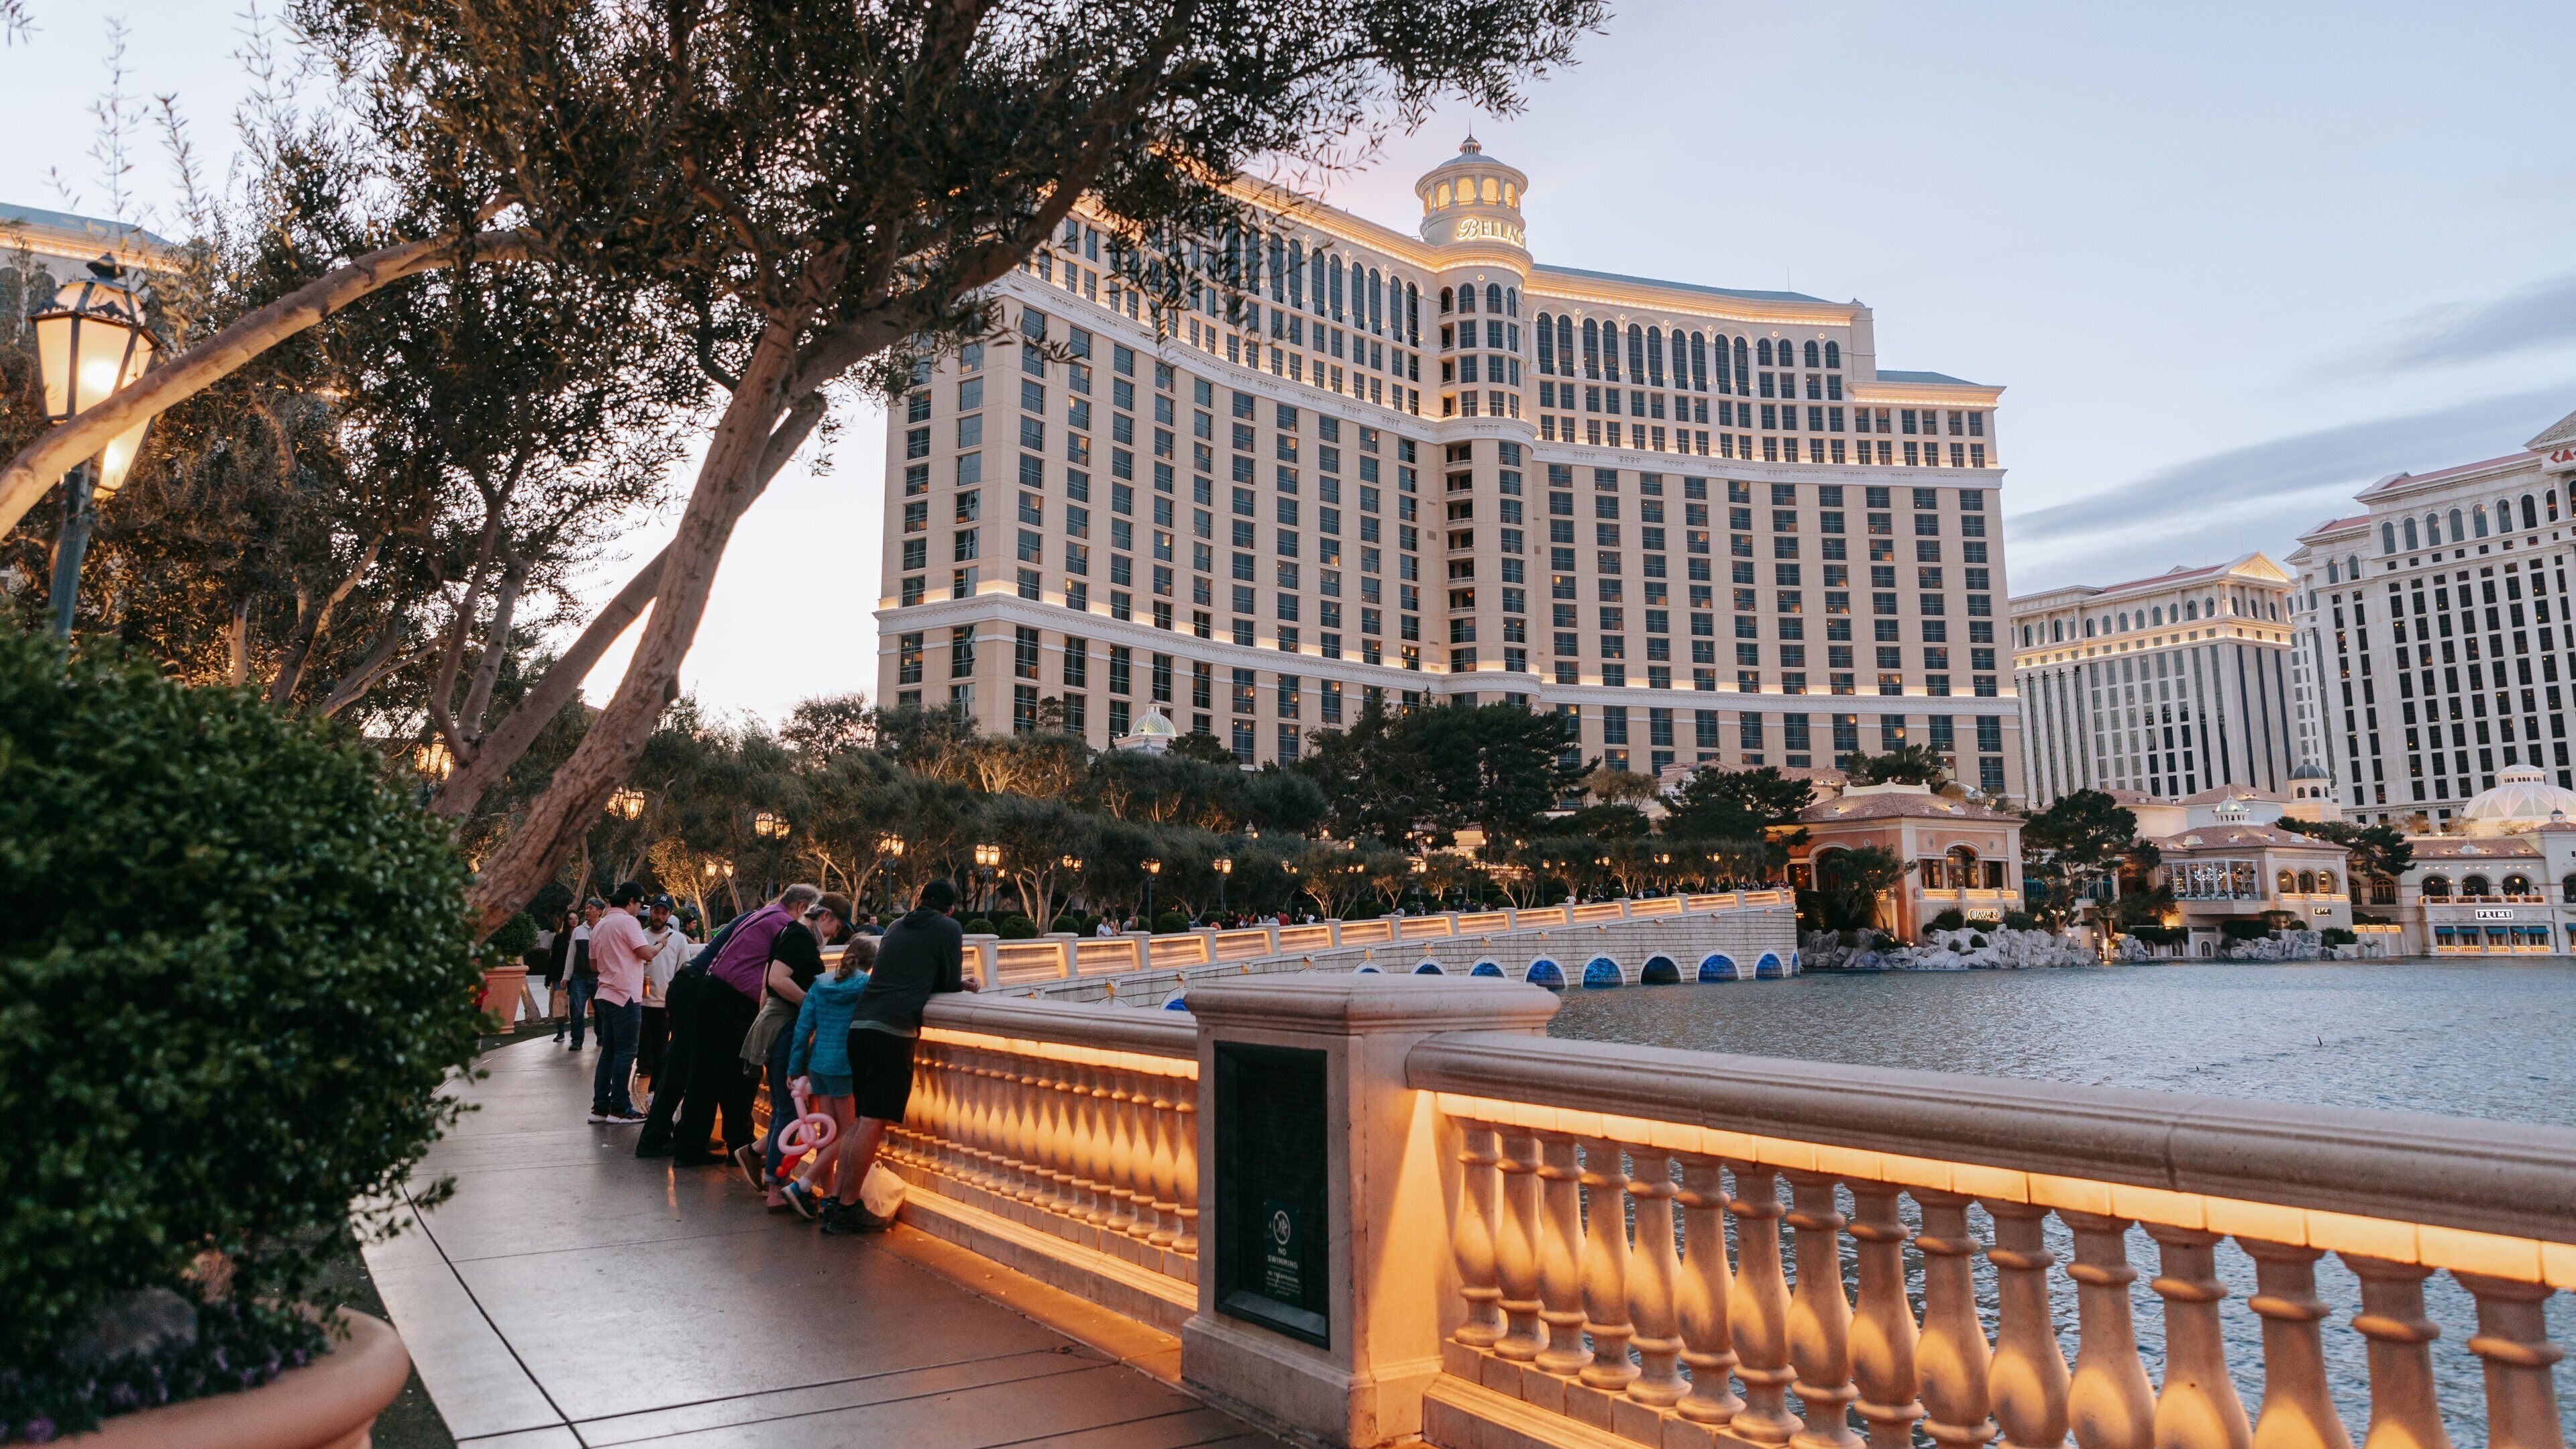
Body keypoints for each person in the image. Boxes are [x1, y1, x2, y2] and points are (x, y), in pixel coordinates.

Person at [820, 878, 978, 1235]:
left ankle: (836, 1202)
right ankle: (847, 1208)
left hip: (860, 1026)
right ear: (951, 909)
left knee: (860, 1120)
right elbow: (948, 977)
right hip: (892, 1031)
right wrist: (963, 984)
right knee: (872, 1122)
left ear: (920, 900)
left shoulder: (895, 925)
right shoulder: (949, 927)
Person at [670, 885, 821, 1167]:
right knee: (740, 1075)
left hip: (711, 991)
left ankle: (690, 1146)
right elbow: (774, 976)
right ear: (802, 907)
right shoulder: (785, 925)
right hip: (734, 1000)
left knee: (705, 1073)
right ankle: (740, 1145)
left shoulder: (764, 915)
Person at [739, 890, 852, 1202]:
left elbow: (766, 982)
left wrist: (765, 1022)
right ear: (825, 916)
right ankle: (777, 1187)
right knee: (789, 1111)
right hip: (786, 1028)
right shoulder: (801, 938)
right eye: (837, 928)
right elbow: (777, 979)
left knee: (783, 1109)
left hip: (775, 1026)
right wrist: (811, 1006)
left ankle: (768, 1173)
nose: (835, 935)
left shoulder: (787, 932)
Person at [777, 932, 875, 1220]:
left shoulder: (820, 985)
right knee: (847, 1134)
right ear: (870, 964)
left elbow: (802, 1029)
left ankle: (828, 1196)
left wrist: (795, 1069)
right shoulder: (866, 986)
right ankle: (804, 1185)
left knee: (827, 1132)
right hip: (844, 1066)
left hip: (818, 1063)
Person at [635, 908, 742, 1158]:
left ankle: (684, 1137)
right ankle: (661, 1139)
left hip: (687, 985)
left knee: (687, 1067)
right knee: (683, 1069)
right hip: (697, 989)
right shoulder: (773, 924)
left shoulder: (754, 919)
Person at [586, 883, 655, 1124]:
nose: (639, 910)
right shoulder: (628, 922)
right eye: (639, 904)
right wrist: (661, 945)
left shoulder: (600, 925)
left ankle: (600, 1108)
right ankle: (620, 1109)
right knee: (626, 1053)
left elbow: (594, 965)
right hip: (626, 995)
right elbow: (646, 953)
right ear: (631, 902)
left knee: (609, 1052)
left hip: (605, 994)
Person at [637, 896, 690, 1095]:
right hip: (640, 1001)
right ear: (650, 912)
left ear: (670, 915)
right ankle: (643, 1080)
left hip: (664, 1003)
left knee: (662, 1049)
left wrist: (676, 1002)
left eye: (663, 913)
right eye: (656, 912)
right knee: (642, 1047)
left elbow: (682, 970)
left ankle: (656, 1090)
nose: (659, 916)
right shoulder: (639, 936)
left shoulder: (678, 940)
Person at [555, 898, 602, 1049]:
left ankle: (602, 1038)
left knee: (601, 1011)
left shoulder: (604, 929)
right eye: (587, 908)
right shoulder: (578, 931)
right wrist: (566, 976)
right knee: (576, 1011)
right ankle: (577, 1041)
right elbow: (571, 955)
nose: (587, 911)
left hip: (599, 978)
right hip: (579, 978)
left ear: (600, 912)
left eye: (591, 908)